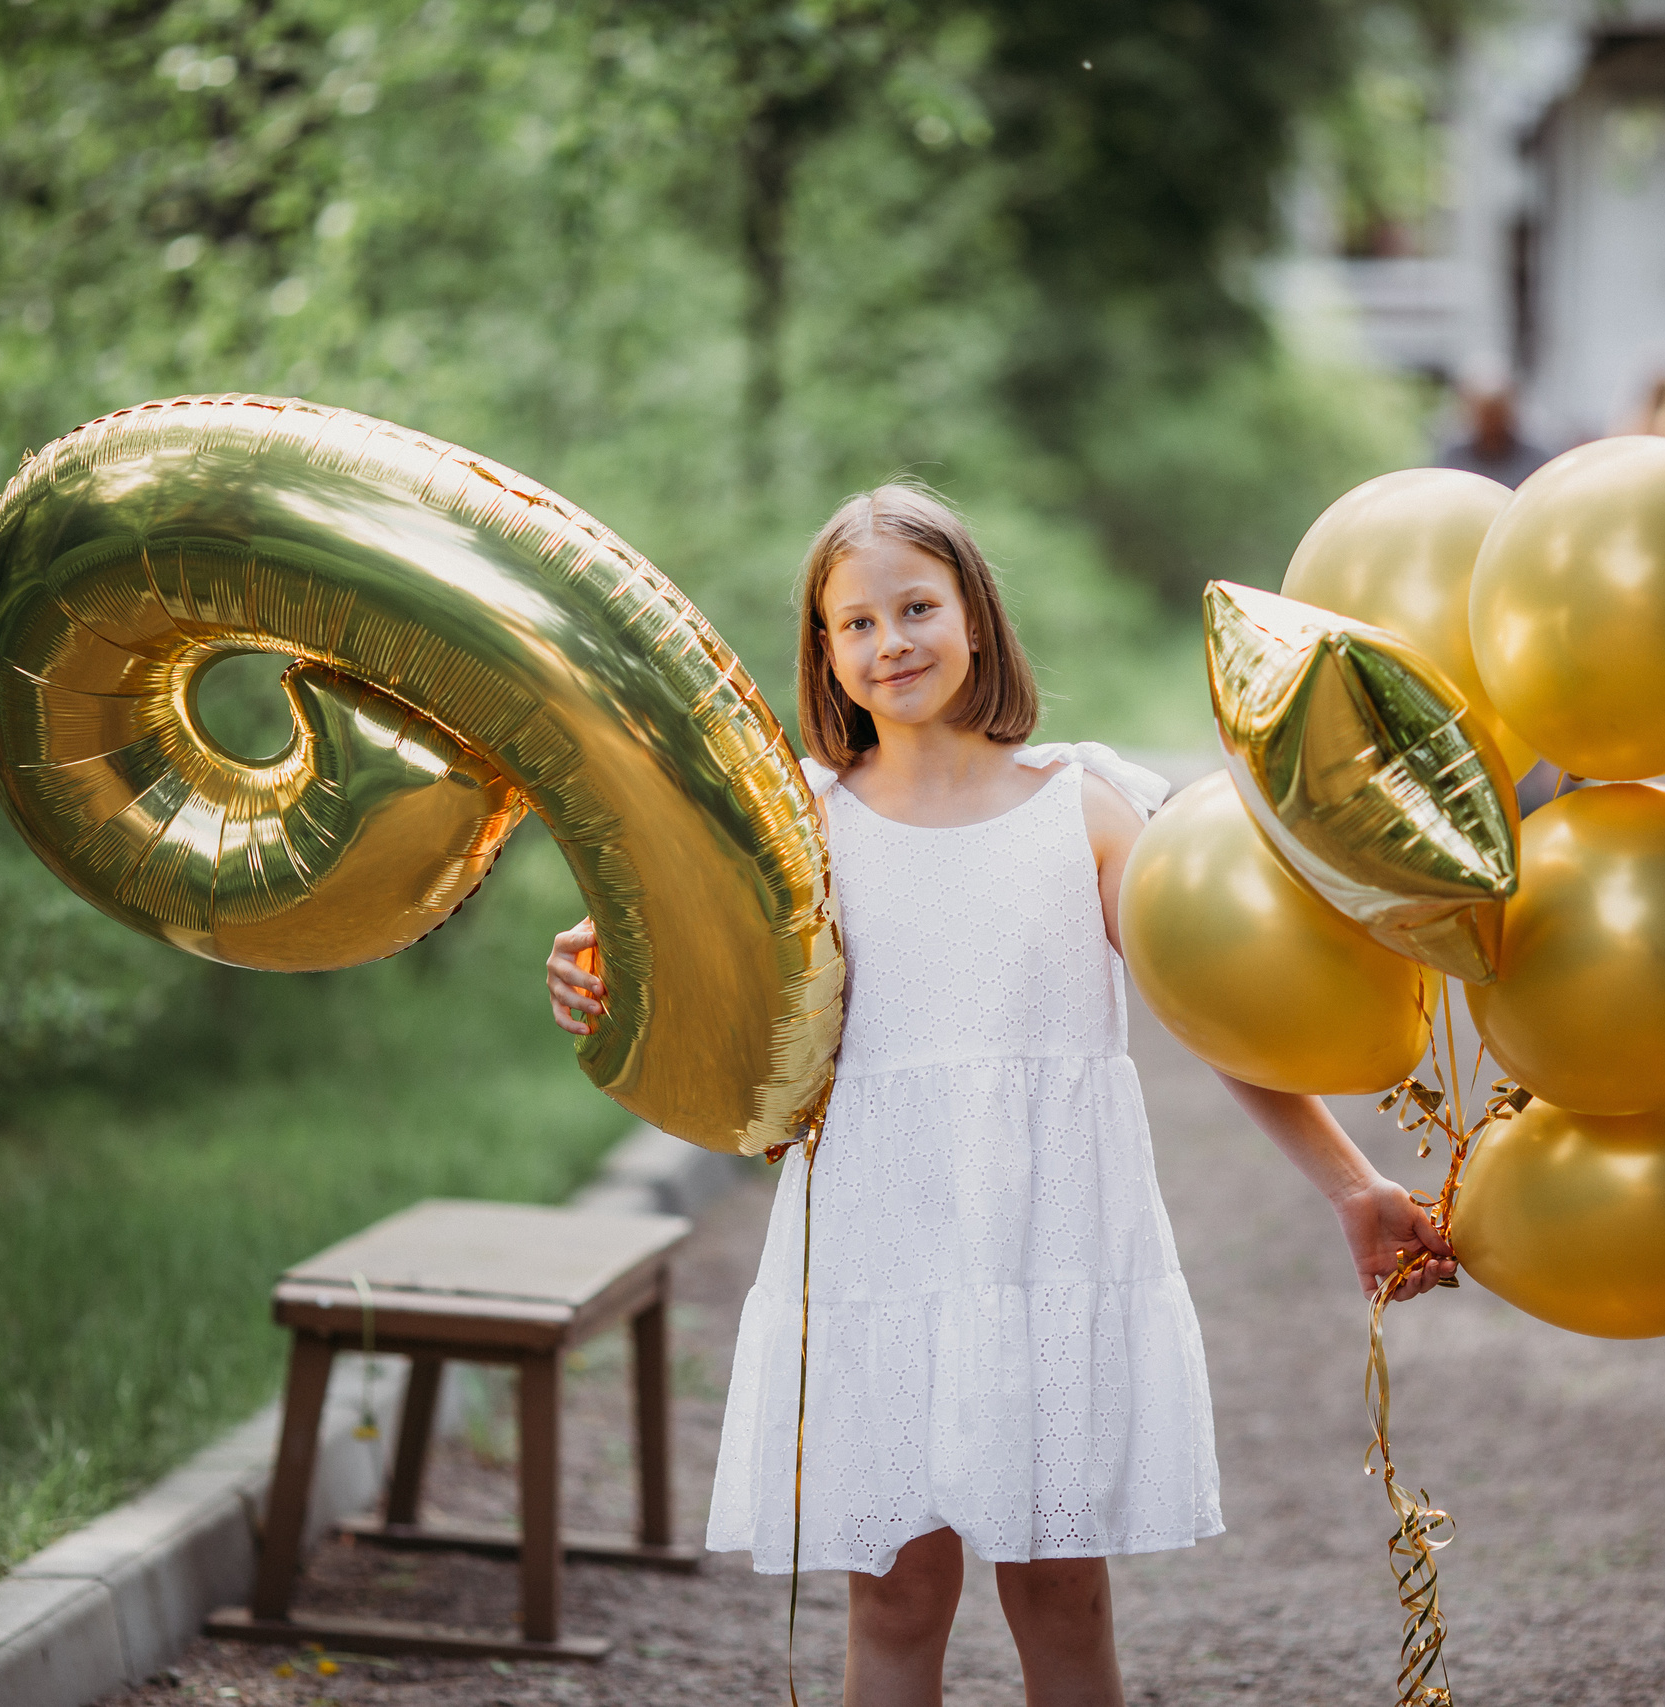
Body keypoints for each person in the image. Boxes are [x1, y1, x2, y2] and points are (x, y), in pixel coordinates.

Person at [544, 484, 1454, 1707]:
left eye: (917, 606)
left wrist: (1352, 1186)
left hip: (1046, 1244)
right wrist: (600, 974)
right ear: (825, 653)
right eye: (854, 624)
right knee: (897, 1593)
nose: (891, 641)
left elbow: (1219, 1019)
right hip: (875, 1247)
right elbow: (703, 999)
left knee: (1059, 1589)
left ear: (974, 612)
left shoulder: (1082, 808)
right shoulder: (798, 834)